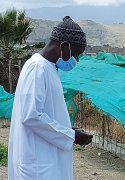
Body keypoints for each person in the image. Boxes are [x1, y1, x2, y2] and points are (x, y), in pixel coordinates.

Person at [8, 16, 93, 180]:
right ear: (64, 46)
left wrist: (69, 131)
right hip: (38, 166)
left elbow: (46, 113)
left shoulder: (49, 68)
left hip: (46, 161)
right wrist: (71, 136)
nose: (76, 60)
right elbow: (31, 116)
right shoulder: (37, 68)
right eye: (76, 54)